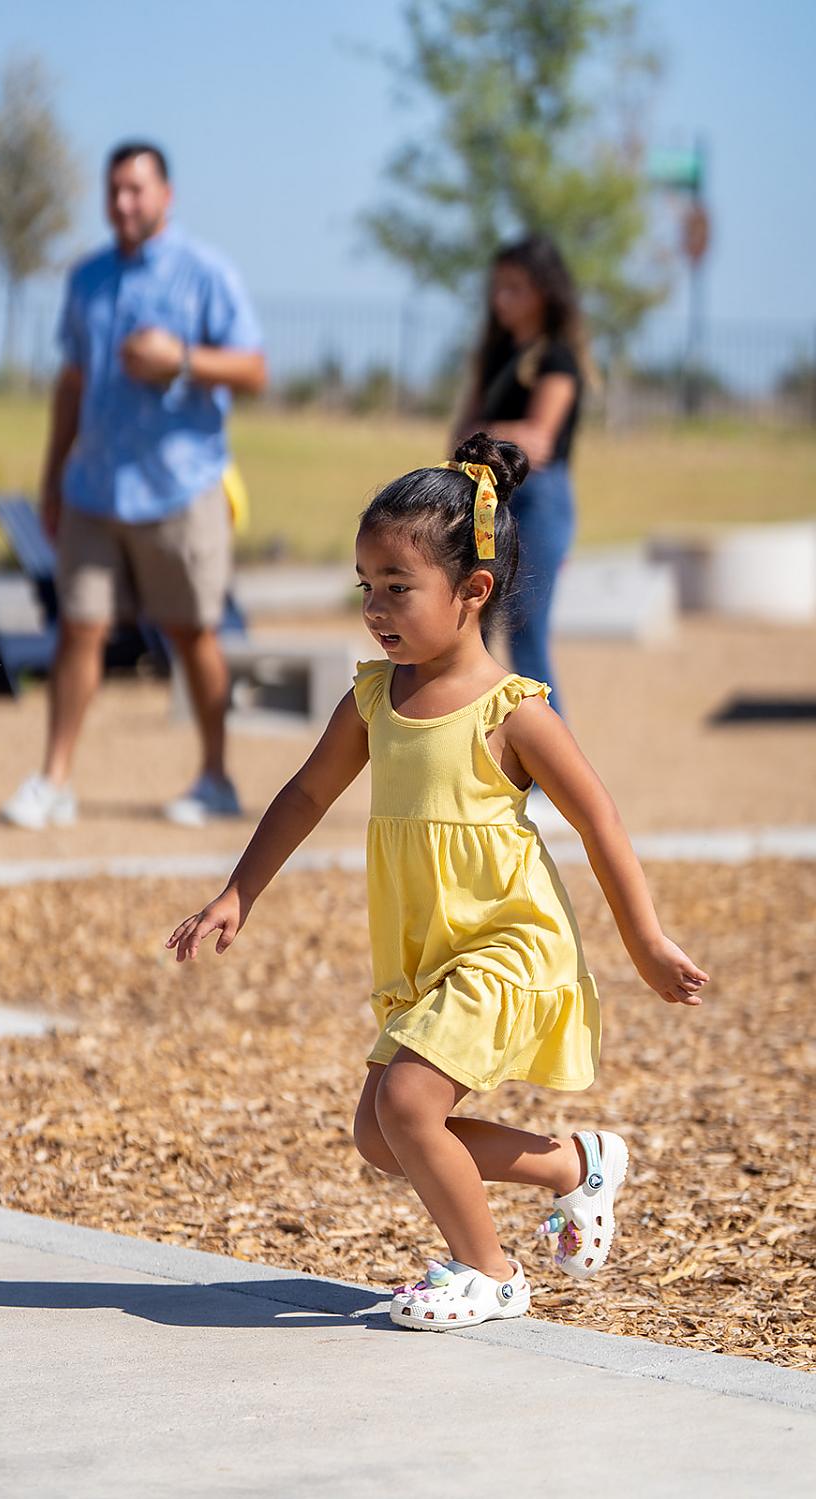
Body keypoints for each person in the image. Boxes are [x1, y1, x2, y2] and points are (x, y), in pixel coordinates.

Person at [166, 431, 709, 1332]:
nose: (376, 607)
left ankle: (489, 1272)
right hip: (434, 949)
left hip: (508, 942)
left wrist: (645, 940)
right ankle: (577, 1165)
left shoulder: (515, 712)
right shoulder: (373, 699)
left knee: (409, 1103)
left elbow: (599, 819)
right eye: (366, 586)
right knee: (380, 1135)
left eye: (398, 587)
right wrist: (238, 891)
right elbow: (303, 795)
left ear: (473, 592)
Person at [2, 141, 267, 831]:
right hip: (94, 488)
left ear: (166, 196)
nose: (123, 203)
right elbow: (71, 382)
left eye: (137, 190)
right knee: (78, 629)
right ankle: (54, 779)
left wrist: (179, 358)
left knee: (191, 633)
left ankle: (215, 776)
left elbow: (255, 370)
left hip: (180, 489)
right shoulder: (86, 278)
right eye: (114, 190)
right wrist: (53, 476)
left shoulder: (206, 274)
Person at [452, 235, 593, 714]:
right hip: (487, 500)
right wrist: (485, 436)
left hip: (539, 503)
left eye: (514, 287)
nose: (500, 299)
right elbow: (458, 437)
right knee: (476, 630)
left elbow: (539, 440)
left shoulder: (557, 359)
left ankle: (553, 777)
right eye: (497, 287)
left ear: (544, 293)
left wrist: (483, 434)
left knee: (525, 634)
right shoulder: (493, 356)